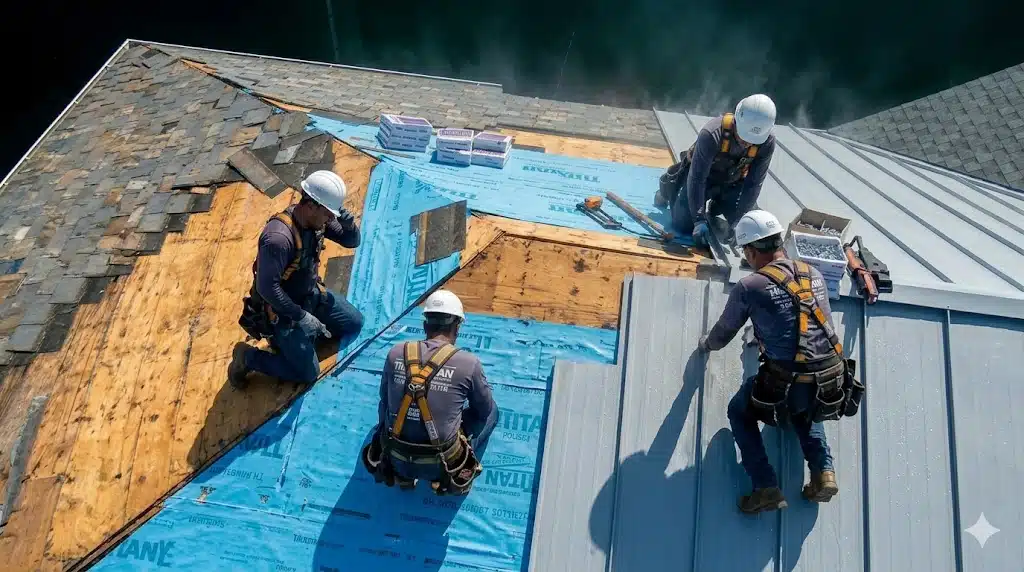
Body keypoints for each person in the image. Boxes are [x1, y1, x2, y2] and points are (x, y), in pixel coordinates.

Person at [697, 210, 854, 514]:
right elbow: (803, 321)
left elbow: (724, 332)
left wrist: (706, 345)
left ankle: (765, 486)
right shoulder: (814, 274)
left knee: (740, 411)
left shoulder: (750, 286)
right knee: (806, 409)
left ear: (752, 251)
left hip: (790, 381)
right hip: (832, 378)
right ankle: (824, 473)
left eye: (747, 253)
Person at [229, 170, 365, 388]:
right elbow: (267, 288)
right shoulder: (279, 238)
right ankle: (248, 358)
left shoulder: (317, 221)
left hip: (310, 295)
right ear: (311, 205)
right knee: (308, 373)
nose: (331, 219)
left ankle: (301, 343)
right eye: (328, 213)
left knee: (353, 322)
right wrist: (302, 317)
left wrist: (350, 227)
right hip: (283, 311)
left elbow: (351, 242)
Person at [361, 290, 498, 495]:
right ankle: (448, 481)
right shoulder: (469, 363)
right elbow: (484, 409)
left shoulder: (396, 352)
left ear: (425, 325)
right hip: (441, 465)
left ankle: (405, 477)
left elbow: (384, 401)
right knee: (493, 411)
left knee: (390, 410)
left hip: (395, 457)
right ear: (457, 327)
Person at [656, 94, 777, 247]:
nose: (747, 144)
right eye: (743, 138)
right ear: (736, 121)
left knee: (750, 224)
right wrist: (699, 219)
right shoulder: (711, 134)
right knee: (683, 225)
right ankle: (667, 189)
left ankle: (717, 204)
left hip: (733, 183)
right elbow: (697, 179)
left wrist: (740, 221)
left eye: (752, 141)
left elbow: (753, 184)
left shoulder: (767, 142)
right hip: (702, 180)